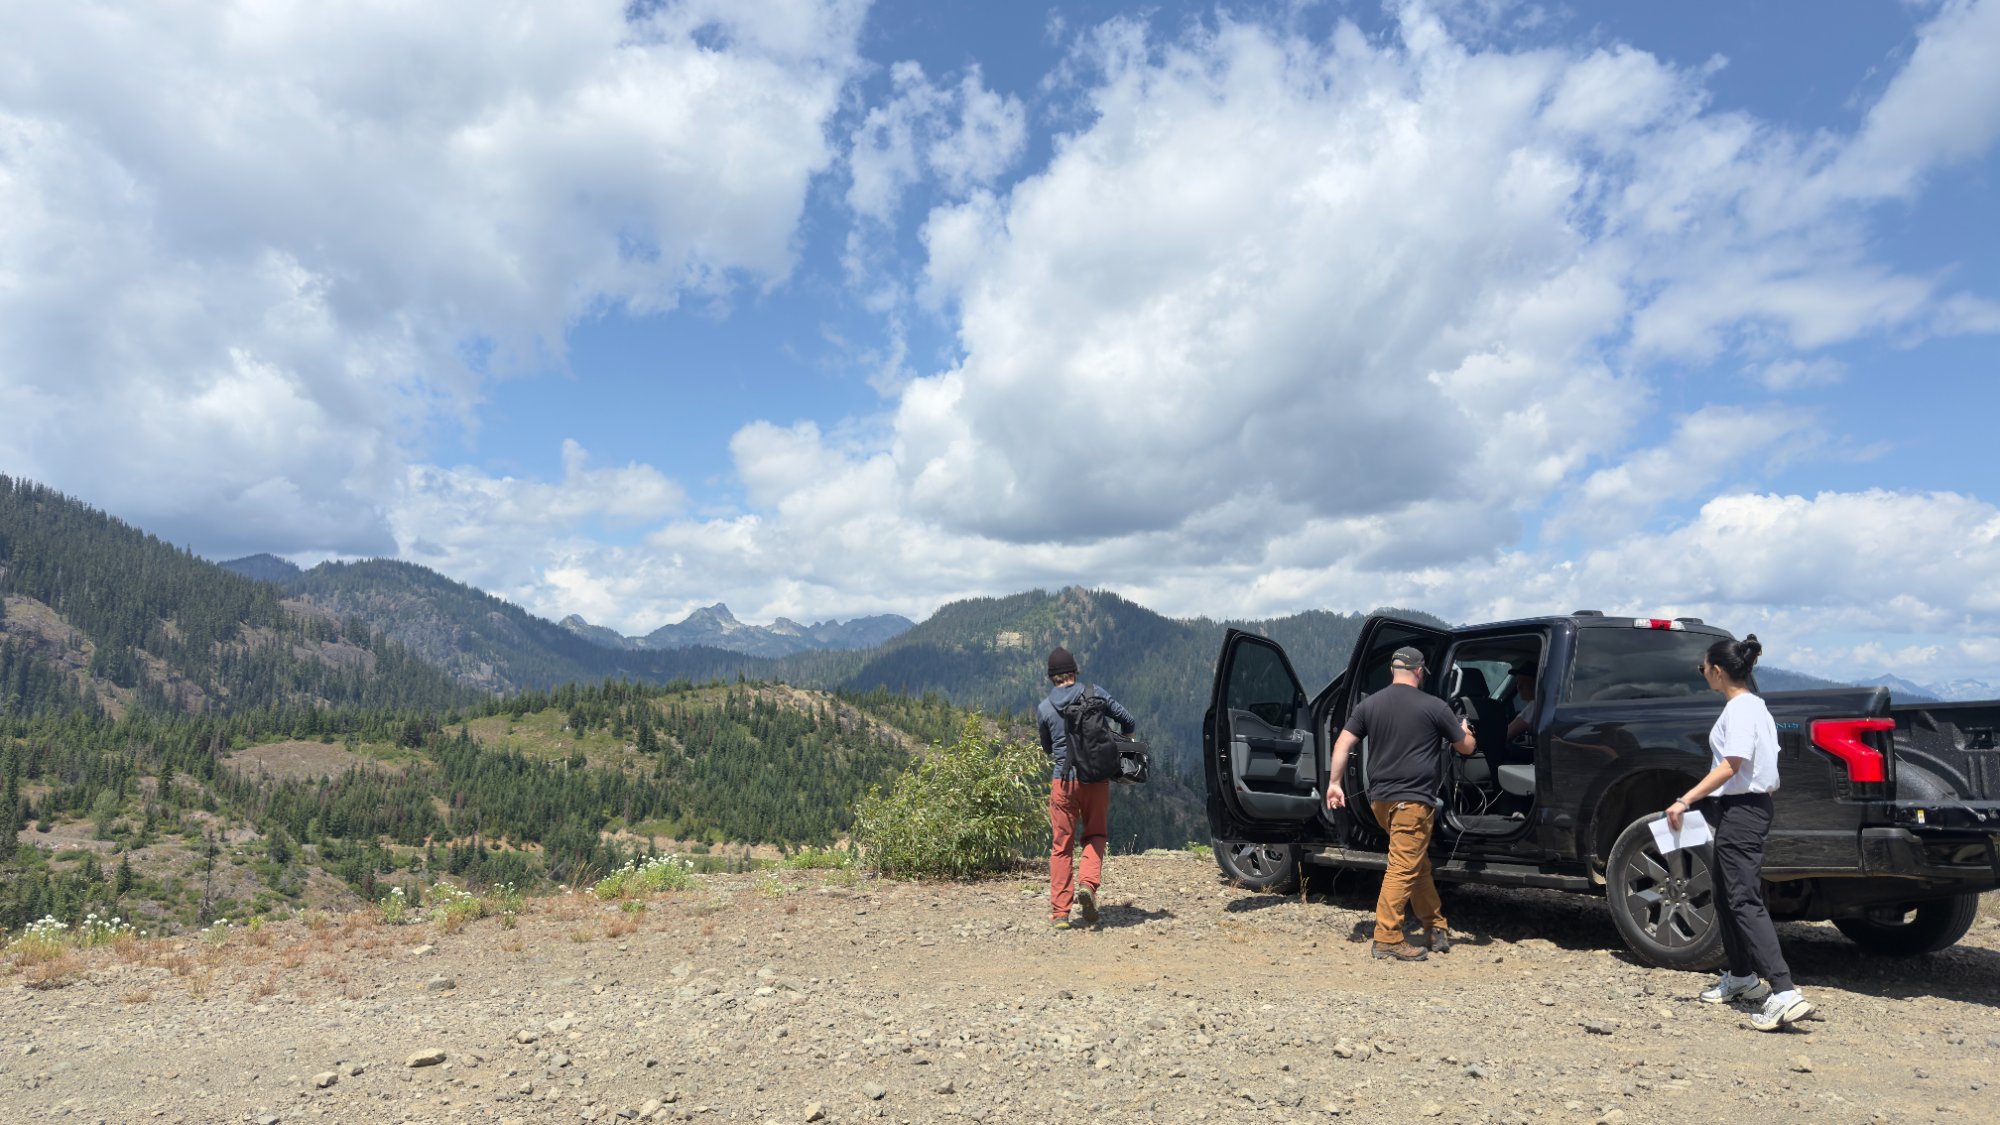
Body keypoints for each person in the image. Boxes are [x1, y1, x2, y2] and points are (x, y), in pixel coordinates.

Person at [1666, 634, 1813, 1031]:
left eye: (1703, 668)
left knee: (1744, 899)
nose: (1702, 673)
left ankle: (1784, 991)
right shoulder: (1754, 706)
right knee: (1725, 894)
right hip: (1741, 808)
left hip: (1744, 810)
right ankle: (1742, 976)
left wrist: (1684, 799)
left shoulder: (1741, 710)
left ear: (1717, 670)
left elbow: (1732, 764)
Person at [1326, 646, 1477, 961]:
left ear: (1393, 670)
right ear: (1419, 671)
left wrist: (1334, 784)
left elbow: (1342, 742)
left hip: (1380, 802)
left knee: (1416, 864)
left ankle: (1435, 927)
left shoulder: (1369, 705)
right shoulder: (1434, 706)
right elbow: (1465, 748)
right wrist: (1465, 732)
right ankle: (1387, 938)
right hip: (1412, 802)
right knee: (1402, 867)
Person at [1036, 646, 1137, 931]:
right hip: (1095, 780)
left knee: (1061, 846)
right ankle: (1088, 885)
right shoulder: (1095, 694)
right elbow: (1128, 720)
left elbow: (1047, 748)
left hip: (1063, 781)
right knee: (1095, 834)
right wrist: (1125, 744)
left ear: (1051, 677)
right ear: (1074, 672)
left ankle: (1060, 914)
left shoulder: (1044, 708)